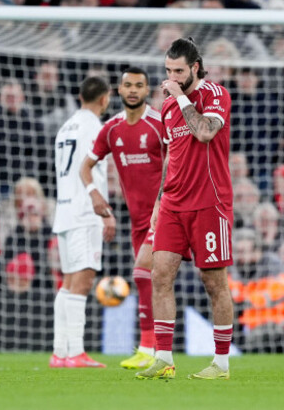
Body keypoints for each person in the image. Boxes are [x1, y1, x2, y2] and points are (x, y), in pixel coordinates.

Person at [136, 38, 234, 381]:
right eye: (167, 72)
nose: (171, 78)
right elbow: (172, 155)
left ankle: (221, 364)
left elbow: (205, 133)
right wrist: (160, 200)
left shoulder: (216, 94)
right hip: (174, 203)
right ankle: (164, 358)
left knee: (214, 283)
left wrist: (180, 96)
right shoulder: (166, 108)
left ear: (195, 67)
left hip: (210, 201)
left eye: (178, 71)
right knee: (159, 275)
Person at [80, 67, 165, 370]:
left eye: (139, 86)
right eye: (127, 85)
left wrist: (163, 201)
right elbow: (85, 167)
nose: (132, 90)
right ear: (118, 90)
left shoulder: (158, 123)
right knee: (148, 281)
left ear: (146, 90)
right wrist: (95, 195)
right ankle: (153, 349)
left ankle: (149, 347)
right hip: (138, 220)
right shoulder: (112, 128)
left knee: (143, 273)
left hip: (164, 213)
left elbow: (179, 161)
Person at [50, 76, 114, 368]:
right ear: (104, 98)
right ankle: (75, 352)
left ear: (80, 96)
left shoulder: (66, 127)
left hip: (63, 211)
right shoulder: (95, 128)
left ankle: (60, 352)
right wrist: (105, 210)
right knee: (83, 281)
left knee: (68, 282)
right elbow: (90, 171)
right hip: (85, 212)